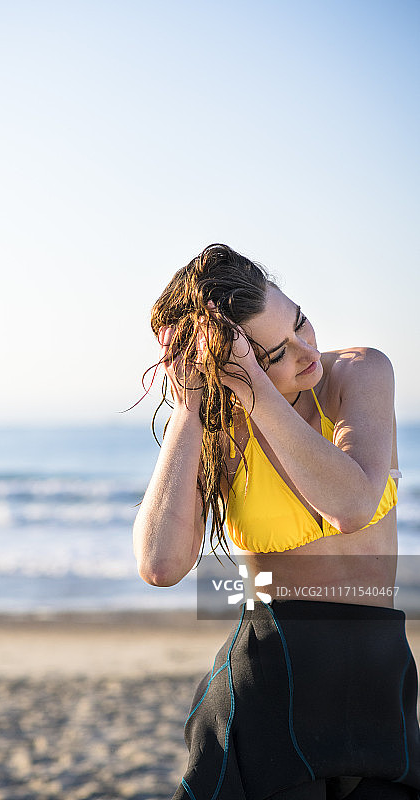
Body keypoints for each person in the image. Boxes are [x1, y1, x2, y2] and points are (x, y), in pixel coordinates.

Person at [133, 244, 420, 800]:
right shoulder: (221, 432)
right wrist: (191, 408)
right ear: (232, 369)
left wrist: (259, 383)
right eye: (275, 353)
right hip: (271, 682)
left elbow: (351, 505)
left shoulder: (358, 374)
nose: (306, 350)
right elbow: (160, 565)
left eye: (299, 321)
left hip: (377, 676)